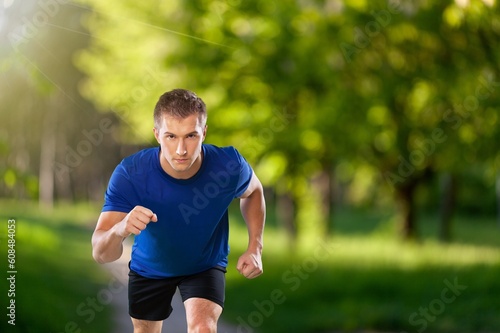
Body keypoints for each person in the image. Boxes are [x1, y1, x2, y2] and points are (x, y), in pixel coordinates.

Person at [91, 89, 266, 333]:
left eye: (191, 136)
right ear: (157, 135)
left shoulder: (228, 165)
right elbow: (101, 254)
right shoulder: (131, 174)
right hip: (150, 268)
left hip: (204, 264)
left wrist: (255, 247)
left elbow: (254, 191)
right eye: (171, 136)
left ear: (204, 132)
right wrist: (121, 229)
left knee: (203, 327)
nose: (181, 150)